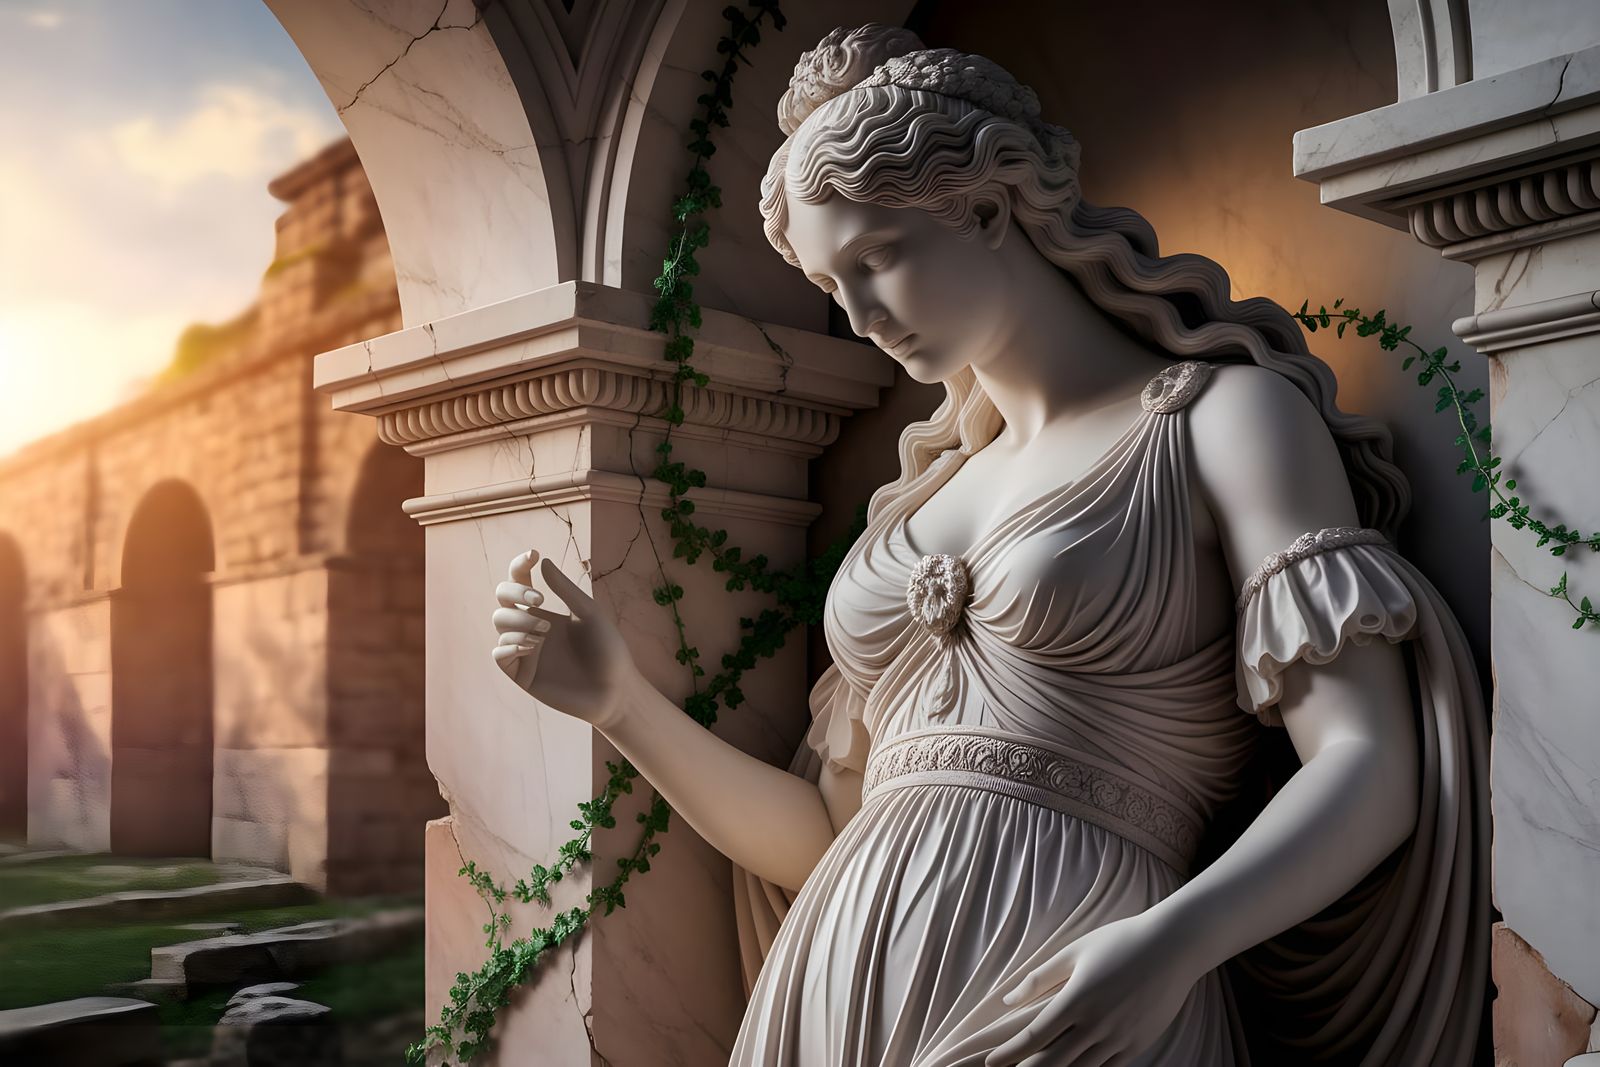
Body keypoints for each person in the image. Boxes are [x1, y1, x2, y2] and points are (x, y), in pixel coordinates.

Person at [491, 23, 1489, 1066]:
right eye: (833, 288)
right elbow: (826, 834)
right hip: (829, 1002)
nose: (862, 316)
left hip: (1077, 993)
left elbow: (1369, 763)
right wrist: (622, 704)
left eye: (877, 259)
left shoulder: (1221, 420)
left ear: (985, 208)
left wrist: (1171, 945)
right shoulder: (918, 506)